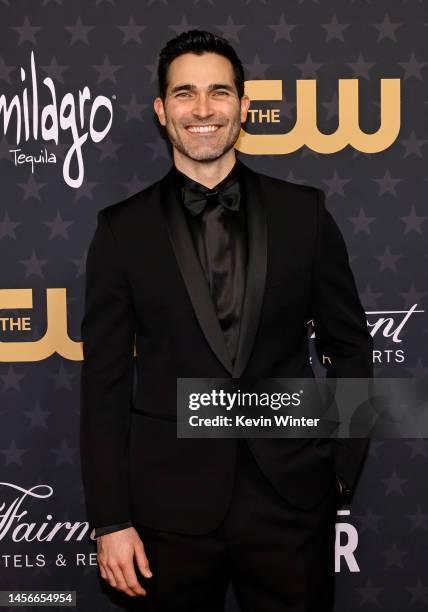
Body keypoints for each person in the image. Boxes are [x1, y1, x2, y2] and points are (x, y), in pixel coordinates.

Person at [80, 29, 373, 612]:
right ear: (162, 111)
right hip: (169, 514)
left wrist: (338, 469)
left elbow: (349, 345)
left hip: (291, 503)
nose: (203, 109)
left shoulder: (304, 214)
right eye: (184, 93)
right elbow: (105, 385)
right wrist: (111, 519)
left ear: (243, 105)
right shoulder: (122, 231)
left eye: (219, 92)